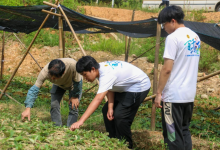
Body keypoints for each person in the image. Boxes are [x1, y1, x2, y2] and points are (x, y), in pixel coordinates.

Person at [70, 56, 151, 149]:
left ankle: (126, 146)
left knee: (121, 116)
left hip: (139, 86)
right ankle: (113, 141)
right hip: (125, 86)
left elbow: (98, 99)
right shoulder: (100, 69)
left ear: (92, 69)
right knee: (106, 111)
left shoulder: (106, 74)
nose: (85, 78)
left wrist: (81, 121)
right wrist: (110, 107)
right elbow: (110, 88)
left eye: (85, 75)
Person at [155, 6, 200, 150]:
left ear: (172, 21)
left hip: (172, 97)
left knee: (172, 135)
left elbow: (167, 69)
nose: (164, 28)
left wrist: (159, 93)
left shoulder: (173, 38)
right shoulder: (195, 37)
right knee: (184, 130)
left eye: (164, 24)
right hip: (188, 95)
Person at [21, 58, 82, 127]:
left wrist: (75, 96)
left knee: (73, 107)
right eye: (51, 76)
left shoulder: (73, 65)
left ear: (63, 72)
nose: (52, 79)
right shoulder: (45, 72)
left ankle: (72, 128)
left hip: (74, 85)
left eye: (55, 77)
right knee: (54, 105)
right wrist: (27, 108)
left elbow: (78, 83)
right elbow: (34, 89)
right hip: (58, 85)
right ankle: (56, 127)